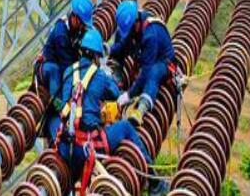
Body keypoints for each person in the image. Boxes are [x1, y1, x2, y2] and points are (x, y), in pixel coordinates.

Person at [51, 29, 166, 196]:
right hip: (88, 148)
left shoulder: (69, 71)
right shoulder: (99, 76)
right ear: (97, 57)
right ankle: (155, 183)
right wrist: (107, 75)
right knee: (126, 127)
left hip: (65, 147)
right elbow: (113, 93)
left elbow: (64, 103)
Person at [110, 0, 176, 126]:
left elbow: (145, 72)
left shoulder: (150, 35)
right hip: (145, 54)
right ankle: (117, 75)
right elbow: (123, 43)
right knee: (122, 38)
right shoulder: (134, 23)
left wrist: (129, 95)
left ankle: (141, 109)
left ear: (136, 24)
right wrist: (108, 50)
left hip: (163, 61)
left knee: (153, 73)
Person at [34, 0, 95, 113]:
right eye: (82, 23)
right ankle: (56, 105)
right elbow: (68, 67)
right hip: (48, 68)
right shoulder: (61, 34)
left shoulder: (76, 27)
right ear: (75, 17)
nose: (83, 26)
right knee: (56, 72)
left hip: (64, 62)